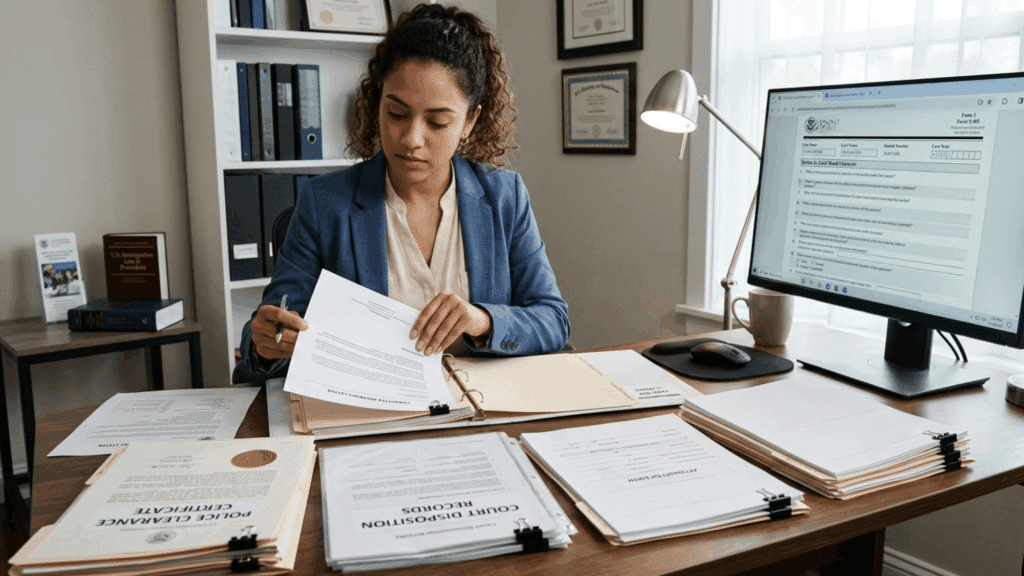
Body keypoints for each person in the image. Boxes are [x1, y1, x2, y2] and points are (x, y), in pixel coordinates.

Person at [240, 3, 569, 377]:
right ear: (377, 101)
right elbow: (269, 332)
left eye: (438, 121)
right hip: (367, 410)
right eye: (396, 113)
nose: (412, 139)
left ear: (470, 121)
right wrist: (268, 344)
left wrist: (482, 321)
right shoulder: (324, 202)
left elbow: (552, 320)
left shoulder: (504, 196)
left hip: (479, 408)